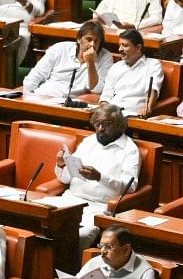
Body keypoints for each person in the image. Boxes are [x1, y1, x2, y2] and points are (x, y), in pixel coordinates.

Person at [55, 103, 142, 243]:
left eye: (106, 124)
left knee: (79, 235)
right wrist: (61, 165)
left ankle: (76, 265)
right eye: (97, 124)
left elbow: (130, 186)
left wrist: (100, 177)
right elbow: (66, 179)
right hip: (70, 201)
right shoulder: (88, 142)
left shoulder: (129, 150)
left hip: (98, 207)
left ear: (118, 125)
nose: (100, 129)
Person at [25, 20, 111, 98]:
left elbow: (97, 90)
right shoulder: (59, 48)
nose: (92, 44)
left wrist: (91, 64)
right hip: (44, 95)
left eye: (96, 41)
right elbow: (36, 75)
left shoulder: (105, 57)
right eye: (88, 39)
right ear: (79, 39)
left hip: (72, 103)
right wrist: (27, 98)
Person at [99, 30, 164, 116]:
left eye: (125, 45)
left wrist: (147, 106)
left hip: (133, 114)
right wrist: (104, 111)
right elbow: (106, 95)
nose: (120, 49)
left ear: (138, 48)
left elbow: (153, 89)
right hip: (113, 114)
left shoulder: (153, 65)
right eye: (119, 45)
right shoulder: (115, 67)